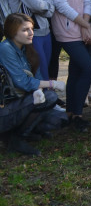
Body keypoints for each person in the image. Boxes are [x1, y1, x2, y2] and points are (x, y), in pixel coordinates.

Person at [46, 0, 91, 132]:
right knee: (89, 69)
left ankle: (72, 114)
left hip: (81, 28)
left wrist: (85, 23)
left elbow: (87, 0)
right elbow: (60, 4)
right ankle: (76, 113)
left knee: (76, 72)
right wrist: (84, 25)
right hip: (65, 32)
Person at [0, 14, 66, 155]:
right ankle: (16, 139)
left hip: (22, 102)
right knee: (50, 97)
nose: (31, 33)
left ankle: (23, 131)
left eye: (32, 29)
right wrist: (52, 83)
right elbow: (22, 82)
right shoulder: (6, 48)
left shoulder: (27, 48)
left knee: (59, 120)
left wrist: (39, 89)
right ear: (12, 31)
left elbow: (37, 77)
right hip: (6, 108)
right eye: (25, 30)